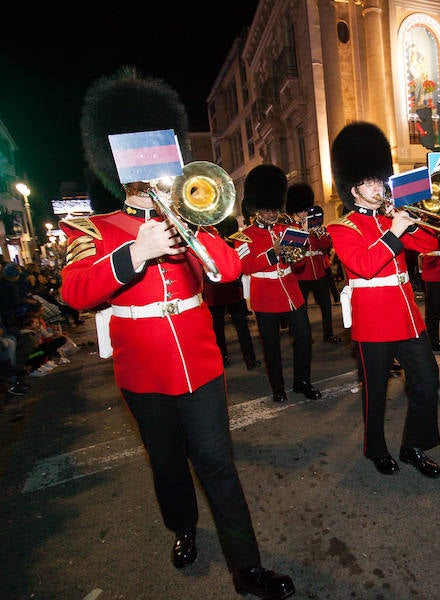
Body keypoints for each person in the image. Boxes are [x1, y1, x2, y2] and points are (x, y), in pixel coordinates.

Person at [60, 68, 294, 599]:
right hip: (142, 371)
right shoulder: (90, 230)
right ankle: (182, 527)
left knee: (218, 464)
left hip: (200, 364)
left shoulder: (194, 217)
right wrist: (134, 253)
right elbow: (75, 291)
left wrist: (185, 224)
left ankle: (247, 568)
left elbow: (229, 271)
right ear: (118, 167)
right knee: (167, 463)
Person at [327, 121, 440, 478]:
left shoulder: (393, 217)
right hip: (373, 319)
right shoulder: (342, 228)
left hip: (407, 316)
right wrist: (394, 231)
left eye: (380, 180)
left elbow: (432, 246)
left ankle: (414, 446)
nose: (378, 187)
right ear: (353, 189)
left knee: (427, 379)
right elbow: (363, 266)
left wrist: (413, 220)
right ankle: (375, 448)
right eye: (369, 182)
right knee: (375, 391)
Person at [231, 165, 321, 404]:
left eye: (274, 208)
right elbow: (246, 266)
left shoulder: (287, 228)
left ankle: (302, 381)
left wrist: (298, 254)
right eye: (267, 209)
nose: (272, 213)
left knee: (304, 337)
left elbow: (298, 265)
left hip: (291, 292)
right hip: (266, 297)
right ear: (257, 209)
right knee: (271, 346)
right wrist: (274, 252)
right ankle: (277, 387)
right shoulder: (244, 236)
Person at [285, 183, 342, 344]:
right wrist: (302, 232)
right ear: (295, 210)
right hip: (301, 273)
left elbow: (325, 246)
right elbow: (293, 251)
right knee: (300, 308)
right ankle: (304, 335)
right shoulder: (291, 228)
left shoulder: (316, 226)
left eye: (305, 210)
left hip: (319, 271)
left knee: (326, 305)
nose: (304, 213)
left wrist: (319, 233)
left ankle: (328, 333)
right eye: (302, 210)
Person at [203, 216, 261, 370]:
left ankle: (223, 358)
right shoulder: (235, 241)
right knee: (242, 327)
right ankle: (250, 360)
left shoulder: (211, 241)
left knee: (218, 328)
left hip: (214, 291)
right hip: (233, 290)